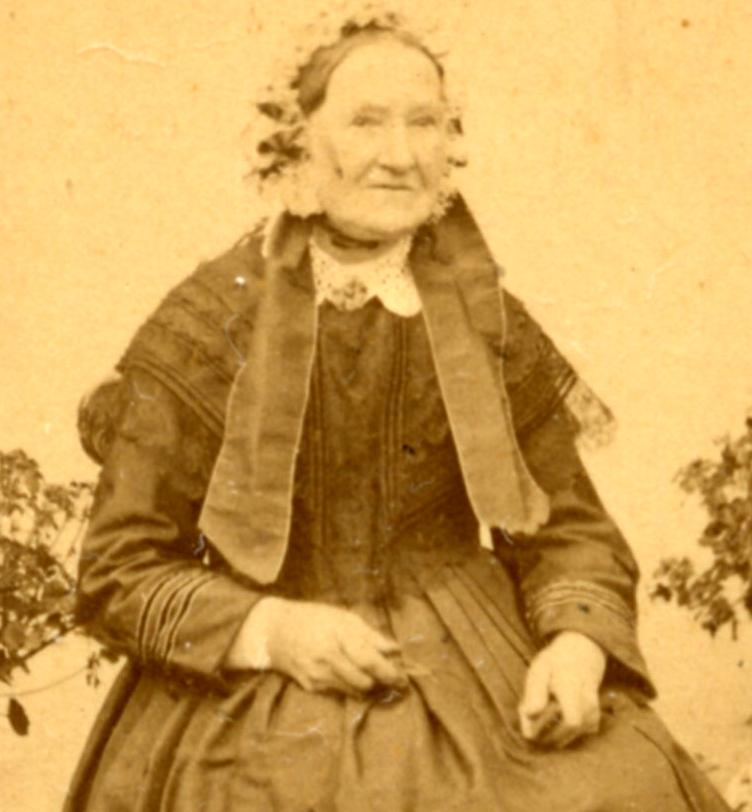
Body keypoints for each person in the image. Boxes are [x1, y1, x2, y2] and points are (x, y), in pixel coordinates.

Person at [66, 6, 731, 811]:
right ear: (295, 143)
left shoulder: (482, 317)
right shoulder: (212, 322)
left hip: (476, 662)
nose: (401, 154)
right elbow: (119, 570)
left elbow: (569, 529)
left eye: (425, 123)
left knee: (623, 784)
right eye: (366, 122)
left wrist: (576, 645)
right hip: (261, 687)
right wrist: (272, 631)